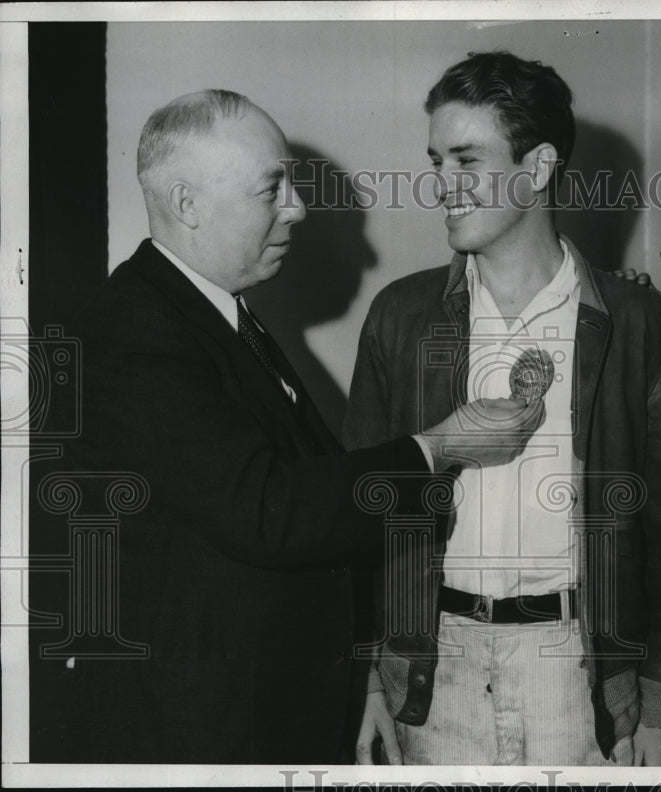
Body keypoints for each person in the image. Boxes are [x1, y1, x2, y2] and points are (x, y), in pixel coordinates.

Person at [36, 89, 542, 764]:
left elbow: (312, 499)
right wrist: (440, 446)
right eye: (271, 188)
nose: (298, 208)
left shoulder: (213, 315)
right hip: (196, 733)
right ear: (187, 204)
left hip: (254, 710)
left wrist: (356, 683)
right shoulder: (133, 330)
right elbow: (271, 510)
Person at [346, 52, 661, 766]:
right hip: (429, 673)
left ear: (536, 168)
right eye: (436, 159)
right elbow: (358, 512)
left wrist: (656, 704)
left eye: (465, 160)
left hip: (578, 675)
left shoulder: (637, 321)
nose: (440, 184)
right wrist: (365, 683)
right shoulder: (399, 317)